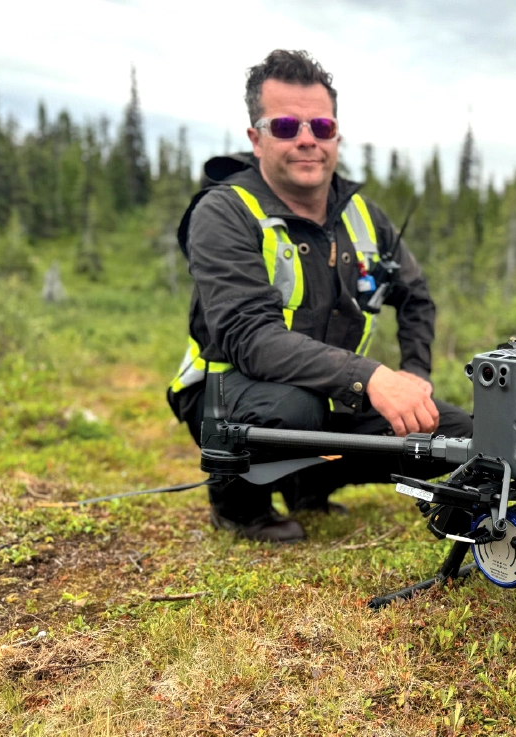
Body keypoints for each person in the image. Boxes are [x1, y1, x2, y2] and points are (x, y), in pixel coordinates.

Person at [166, 50, 472, 543]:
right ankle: (238, 504)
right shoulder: (223, 213)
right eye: (285, 125)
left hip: (335, 388)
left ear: (336, 135)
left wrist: (414, 376)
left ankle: (309, 482)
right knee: (292, 410)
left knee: (461, 439)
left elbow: (415, 298)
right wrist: (371, 375)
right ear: (255, 138)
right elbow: (249, 337)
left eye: (321, 126)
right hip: (230, 394)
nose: (306, 139)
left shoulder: (364, 217)